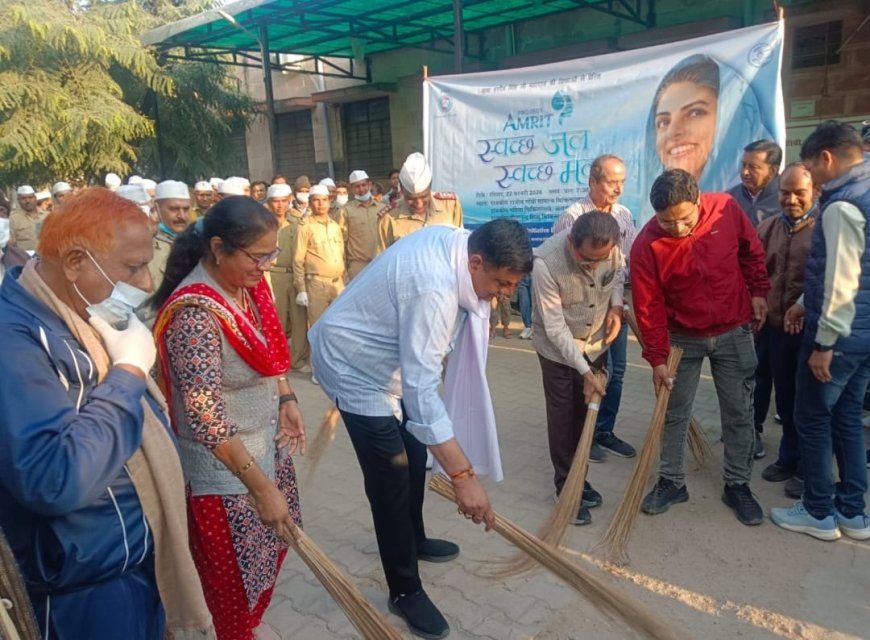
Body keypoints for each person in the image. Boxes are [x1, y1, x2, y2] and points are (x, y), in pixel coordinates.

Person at [0, 188, 214, 639]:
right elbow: (54, 478)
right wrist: (128, 373)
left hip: (131, 567)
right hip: (82, 593)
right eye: (133, 268)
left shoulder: (76, 311)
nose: (145, 284)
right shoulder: (15, 342)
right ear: (75, 263)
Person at [309, 219, 533, 640]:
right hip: (352, 366)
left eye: (512, 285)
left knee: (415, 456)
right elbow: (422, 391)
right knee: (391, 476)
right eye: (502, 283)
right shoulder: (434, 288)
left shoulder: (458, 244)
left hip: (389, 363)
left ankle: (414, 538)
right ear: (476, 262)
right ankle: (405, 590)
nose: (504, 294)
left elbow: (423, 375)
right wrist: (463, 477)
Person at [151, 196, 305, 638]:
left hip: (263, 454)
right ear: (218, 248)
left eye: (273, 254)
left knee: (265, 559)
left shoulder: (247, 286)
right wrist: (262, 489)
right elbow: (207, 420)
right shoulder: (195, 316)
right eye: (258, 256)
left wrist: (286, 397)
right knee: (230, 587)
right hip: (226, 481)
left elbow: (268, 353)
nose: (267, 267)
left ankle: (248, 625)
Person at [631, 169, 769, 526]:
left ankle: (738, 484)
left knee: (739, 411)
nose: (677, 228)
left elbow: (751, 252)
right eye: (666, 222)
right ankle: (671, 481)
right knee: (673, 413)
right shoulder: (646, 244)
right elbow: (648, 307)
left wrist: (758, 291)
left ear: (698, 201)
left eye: (684, 219)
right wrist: (657, 358)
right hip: (682, 339)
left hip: (733, 330)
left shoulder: (725, 209)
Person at [771, 121, 870, 541]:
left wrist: (825, 343)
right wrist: (803, 301)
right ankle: (853, 512)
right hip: (864, 335)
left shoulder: (843, 205)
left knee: (812, 418)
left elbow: (841, 282)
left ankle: (818, 511)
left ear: (826, 158)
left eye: (810, 167)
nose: (810, 176)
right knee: (848, 417)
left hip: (839, 338)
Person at [532, 213, 624, 525]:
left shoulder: (612, 249)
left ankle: (579, 480)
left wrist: (616, 307)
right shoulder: (546, 262)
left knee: (586, 417)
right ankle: (565, 488)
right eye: (587, 260)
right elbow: (555, 328)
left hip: (596, 344)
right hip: (557, 352)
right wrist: (586, 373)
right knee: (563, 420)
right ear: (572, 242)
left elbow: (618, 276)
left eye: (601, 260)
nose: (594, 267)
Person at [552, 154, 637, 461]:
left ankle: (603, 430)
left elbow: (623, 264)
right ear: (592, 182)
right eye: (611, 182)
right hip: (583, 311)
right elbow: (563, 269)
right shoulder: (572, 217)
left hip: (615, 306)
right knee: (591, 373)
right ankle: (582, 436)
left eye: (622, 182)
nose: (618, 189)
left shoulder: (624, 215)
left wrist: (618, 305)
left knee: (618, 371)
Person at [754, 162, 818, 486]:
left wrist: (804, 307)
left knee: (810, 403)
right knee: (786, 397)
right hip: (776, 329)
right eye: (785, 192)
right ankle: (788, 458)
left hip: (811, 331)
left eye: (799, 193)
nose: (791, 200)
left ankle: (809, 468)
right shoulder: (768, 228)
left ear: (815, 191)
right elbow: (755, 273)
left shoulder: (825, 229)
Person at [645, 54, 775, 194]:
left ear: (732, 119)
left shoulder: (764, 200)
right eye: (664, 122)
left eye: (695, 113)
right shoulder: (653, 205)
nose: (673, 132)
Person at [294, 185, 345, 384]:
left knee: (338, 327)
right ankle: (319, 370)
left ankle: (337, 367)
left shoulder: (334, 225)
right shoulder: (305, 226)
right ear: (310, 202)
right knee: (317, 328)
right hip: (316, 283)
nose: (320, 204)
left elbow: (341, 254)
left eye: (324, 200)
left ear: (329, 201)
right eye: (316, 200)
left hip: (337, 283)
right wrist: (301, 289)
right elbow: (298, 259)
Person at [379, 153, 464, 251]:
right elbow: (382, 258)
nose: (419, 204)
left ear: (430, 187)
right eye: (410, 199)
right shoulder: (388, 218)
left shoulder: (451, 205)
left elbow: (459, 247)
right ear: (401, 190)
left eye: (424, 196)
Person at [727, 140, 783, 226]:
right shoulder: (730, 197)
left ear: (773, 171)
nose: (745, 172)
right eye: (744, 165)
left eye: (753, 167)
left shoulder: (786, 199)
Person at [150, 180, 192, 291]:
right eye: (174, 209)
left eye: (186, 209)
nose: (182, 216)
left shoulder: (199, 244)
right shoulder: (146, 246)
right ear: (157, 208)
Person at [342, 170, 381, 279]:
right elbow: (341, 243)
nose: (361, 189)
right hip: (358, 267)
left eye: (364, 185)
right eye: (357, 187)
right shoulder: (345, 211)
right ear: (351, 189)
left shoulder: (382, 208)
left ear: (370, 185)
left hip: (381, 263)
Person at [9, 185, 45, 253]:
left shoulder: (47, 215)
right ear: (18, 200)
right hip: (24, 258)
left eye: (30, 197)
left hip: (47, 256)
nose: (27, 201)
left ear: (35, 198)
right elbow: (10, 244)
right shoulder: (13, 219)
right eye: (23, 198)